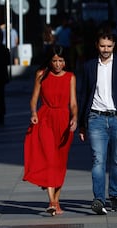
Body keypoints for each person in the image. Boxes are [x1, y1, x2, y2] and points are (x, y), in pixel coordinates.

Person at [78, 27, 117, 215]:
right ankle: (99, 199)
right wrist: (82, 124)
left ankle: (114, 196)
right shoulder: (89, 66)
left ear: (114, 45)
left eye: (109, 46)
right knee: (98, 160)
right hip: (96, 117)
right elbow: (83, 95)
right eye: (102, 46)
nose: (105, 49)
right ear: (97, 46)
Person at [23, 45, 78, 216]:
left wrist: (74, 118)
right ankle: (52, 201)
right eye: (54, 61)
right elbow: (33, 99)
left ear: (65, 61)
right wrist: (33, 113)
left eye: (61, 61)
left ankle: (56, 201)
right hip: (45, 119)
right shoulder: (41, 74)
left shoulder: (70, 77)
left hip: (63, 121)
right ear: (49, 60)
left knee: (60, 163)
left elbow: (73, 103)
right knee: (50, 160)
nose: (57, 64)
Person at [0, 28, 10, 126]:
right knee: (1, 97)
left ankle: (0, 115)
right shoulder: (5, 50)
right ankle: (1, 115)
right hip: (1, 77)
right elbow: (8, 62)